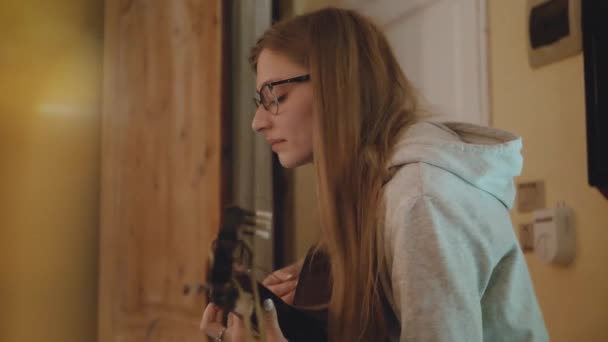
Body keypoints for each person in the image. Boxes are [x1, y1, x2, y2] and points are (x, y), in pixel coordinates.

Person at [201, 7, 549, 342]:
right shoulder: (371, 198)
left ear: (337, 85)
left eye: (275, 96)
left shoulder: (421, 200)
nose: (258, 122)